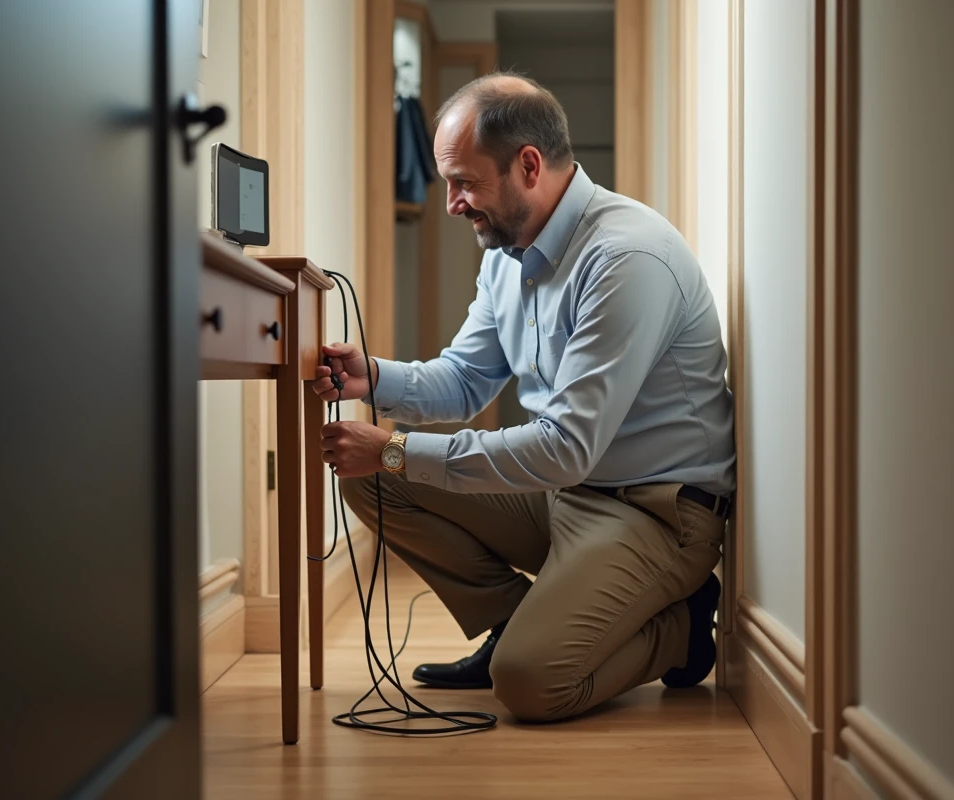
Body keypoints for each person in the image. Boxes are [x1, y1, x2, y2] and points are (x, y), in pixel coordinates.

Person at [312, 73, 735, 724]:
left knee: (531, 684)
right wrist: (374, 376)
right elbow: (462, 381)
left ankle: (679, 628)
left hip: (657, 514)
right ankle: (514, 624)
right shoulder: (506, 256)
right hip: (567, 491)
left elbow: (565, 447)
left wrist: (394, 448)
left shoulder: (626, 259)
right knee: (372, 482)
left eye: (464, 182)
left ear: (528, 166)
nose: (451, 202)